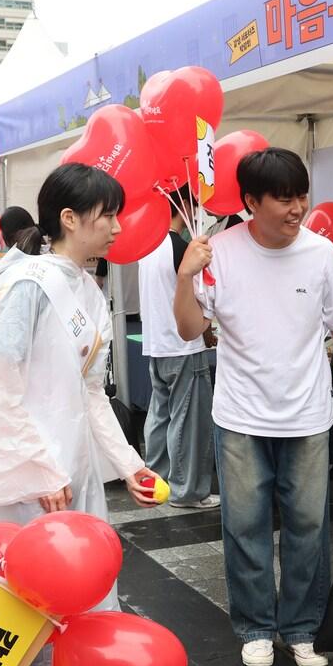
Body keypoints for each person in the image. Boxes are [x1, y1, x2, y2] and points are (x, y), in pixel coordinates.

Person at [174, 148, 333, 666]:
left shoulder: (322, 253)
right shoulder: (217, 252)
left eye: (301, 195)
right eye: (283, 198)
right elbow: (191, 330)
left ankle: (303, 626)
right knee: (245, 525)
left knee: (309, 525)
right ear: (250, 202)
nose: (296, 207)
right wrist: (183, 277)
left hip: (307, 414)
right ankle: (256, 626)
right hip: (239, 416)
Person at [0, 163, 159, 666]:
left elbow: (91, 391)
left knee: (87, 599)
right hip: (30, 484)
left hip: (67, 477)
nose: (118, 228)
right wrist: (38, 468)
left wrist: (129, 465)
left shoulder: (88, 289)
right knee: (41, 612)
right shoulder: (31, 285)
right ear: (68, 219)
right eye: (108, 217)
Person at [138, 189, 219, 510]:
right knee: (189, 422)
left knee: (160, 416)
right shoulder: (183, 249)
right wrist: (208, 332)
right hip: (184, 347)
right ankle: (187, 491)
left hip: (156, 345)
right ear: (183, 207)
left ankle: (154, 479)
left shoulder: (147, 245)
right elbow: (198, 300)